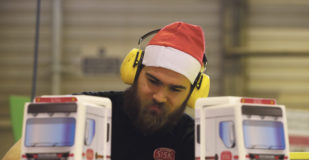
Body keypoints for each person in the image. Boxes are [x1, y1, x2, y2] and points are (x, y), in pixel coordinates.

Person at [2, 21, 208, 160]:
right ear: (134, 73)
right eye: (153, 81)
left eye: (175, 89)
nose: (160, 96)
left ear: (192, 94)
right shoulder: (82, 110)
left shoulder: (194, 139)